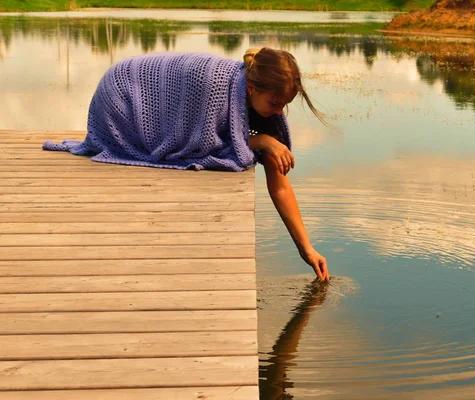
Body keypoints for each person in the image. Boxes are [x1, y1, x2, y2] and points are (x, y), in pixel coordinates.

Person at [43, 47, 330, 281]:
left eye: (284, 105)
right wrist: (257, 142)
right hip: (120, 95)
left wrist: (306, 249)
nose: (279, 112)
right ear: (252, 88)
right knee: (163, 150)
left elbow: (279, 186)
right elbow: (197, 145)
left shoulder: (265, 103)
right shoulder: (216, 86)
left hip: (135, 91)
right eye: (275, 104)